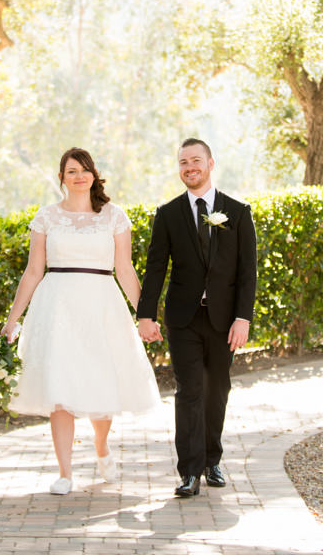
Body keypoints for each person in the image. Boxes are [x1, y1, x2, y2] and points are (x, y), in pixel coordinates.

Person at [1, 147, 160, 496]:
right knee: (60, 390)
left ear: (94, 175)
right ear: (61, 178)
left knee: (100, 383)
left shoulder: (114, 217)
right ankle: (65, 472)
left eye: (84, 170)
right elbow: (32, 272)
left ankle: (102, 447)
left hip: (101, 306)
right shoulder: (45, 218)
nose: (78, 176)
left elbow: (125, 269)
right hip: (55, 308)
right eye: (71, 171)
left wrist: (145, 315)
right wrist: (12, 319)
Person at [137, 138, 257, 497]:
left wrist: (243, 318)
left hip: (224, 320)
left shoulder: (237, 212)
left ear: (210, 163)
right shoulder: (168, 214)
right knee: (189, 389)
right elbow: (156, 267)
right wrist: (146, 315)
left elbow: (247, 272)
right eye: (183, 162)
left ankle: (211, 460)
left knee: (217, 389)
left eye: (195, 160)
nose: (189, 167)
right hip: (183, 318)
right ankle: (188, 471)